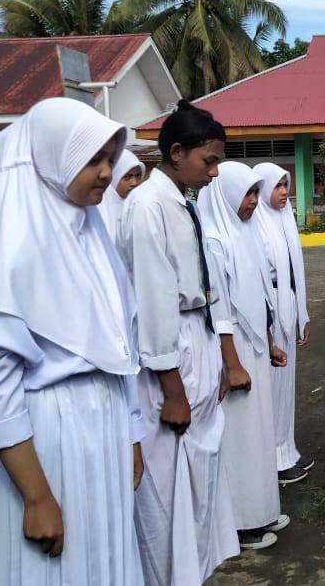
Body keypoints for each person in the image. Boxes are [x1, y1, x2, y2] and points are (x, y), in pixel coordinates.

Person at [0, 97, 144, 584]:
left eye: (110, 158)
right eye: (93, 160)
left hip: (98, 427)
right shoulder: (12, 246)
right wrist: (36, 496)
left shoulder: (89, 234)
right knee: (54, 566)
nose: (106, 172)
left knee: (102, 559)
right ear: (52, 159)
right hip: (45, 439)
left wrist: (130, 434)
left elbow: (119, 345)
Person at [117, 100, 238, 586]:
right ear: (175, 152)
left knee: (198, 484)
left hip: (194, 336)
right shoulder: (148, 206)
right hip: (171, 352)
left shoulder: (180, 201)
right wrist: (173, 390)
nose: (215, 172)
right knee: (170, 489)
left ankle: (193, 570)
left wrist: (217, 363)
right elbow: (153, 300)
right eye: (208, 161)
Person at [199, 162, 287, 551]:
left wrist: (268, 344)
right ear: (225, 194)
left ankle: (261, 509)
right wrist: (231, 363)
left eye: (256, 193)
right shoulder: (215, 241)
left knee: (258, 436)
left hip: (252, 352)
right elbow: (219, 312)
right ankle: (239, 523)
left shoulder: (245, 232)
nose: (253, 202)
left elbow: (260, 299)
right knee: (239, 439)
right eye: (247, 194)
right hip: (233, 357)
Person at [253, 162, 314, 485]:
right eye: (277, 186)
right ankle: (273, 458)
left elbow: (295, 272)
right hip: (270, 309)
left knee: (286, 385)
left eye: (285, 186)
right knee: (272, 387)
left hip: (287, 305)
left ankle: (286, 448)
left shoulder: (285, 219)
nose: (283, 193)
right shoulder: (255, 222)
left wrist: (301, 312)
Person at [99, 149, 146, 240]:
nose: (134, 183)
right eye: (126, 176)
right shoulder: (100, 210)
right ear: (113, 176)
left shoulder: (142, 206)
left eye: (138, 175)